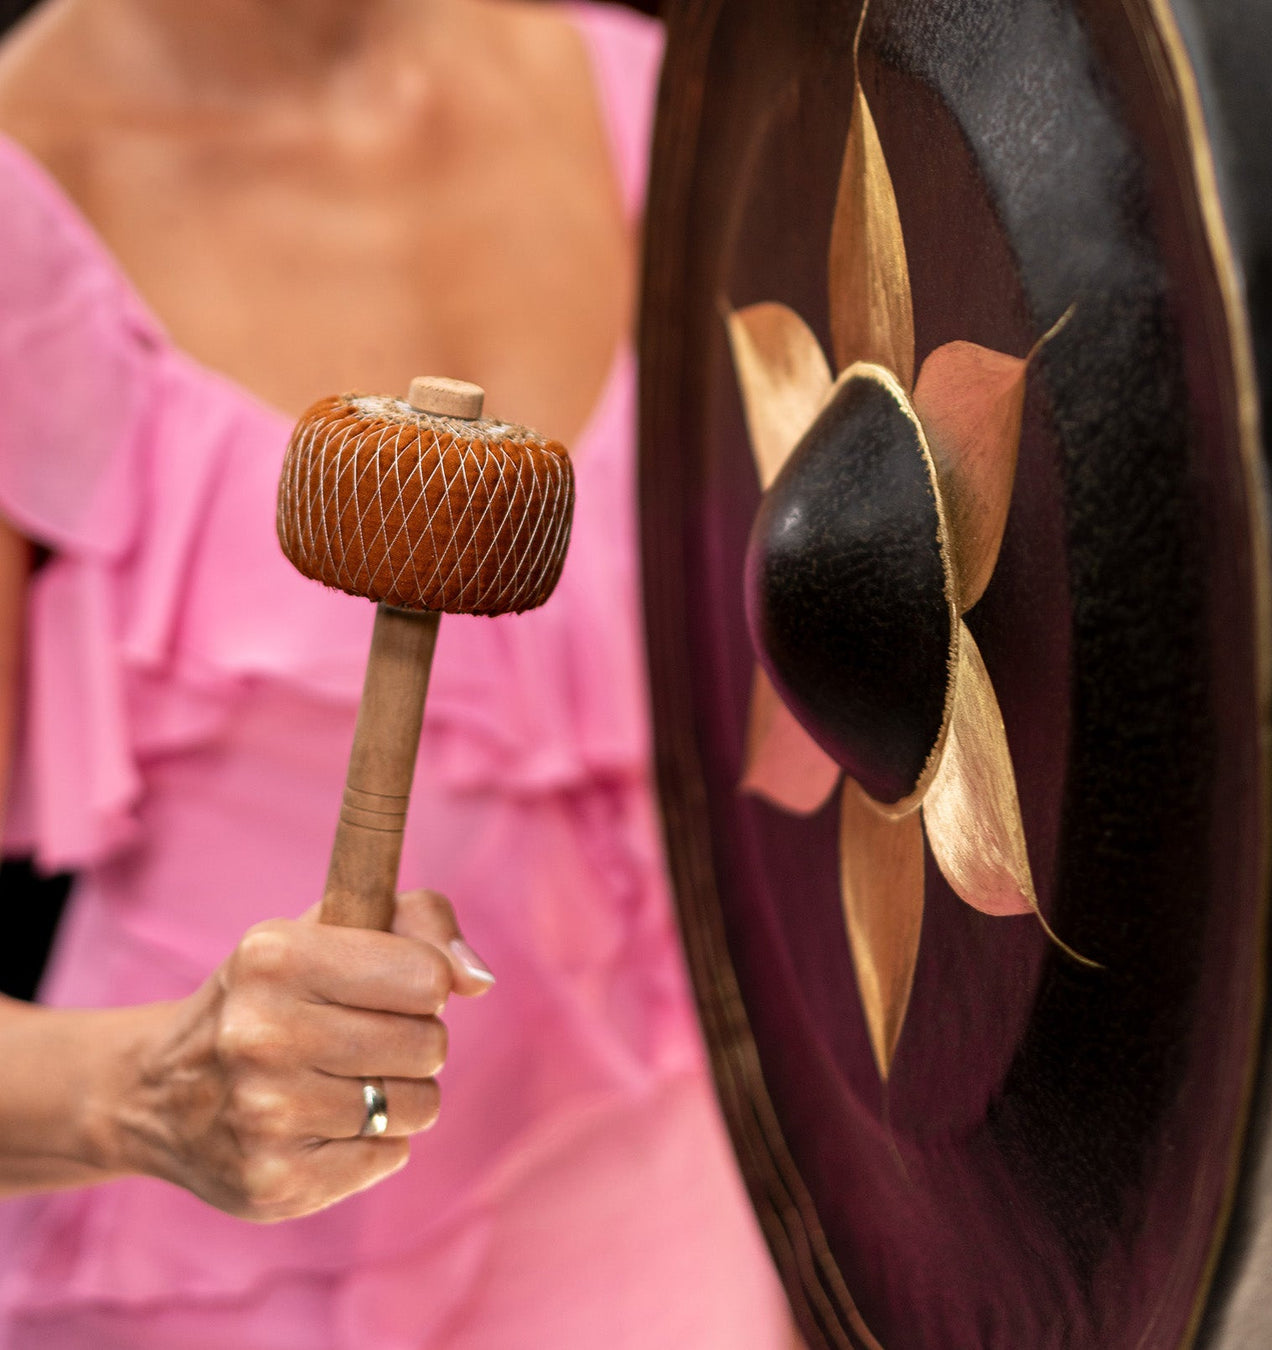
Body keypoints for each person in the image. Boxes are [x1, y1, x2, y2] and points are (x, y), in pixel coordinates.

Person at [0, 1, 796, 1345]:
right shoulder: (24, 185)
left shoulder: (659, 101)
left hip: (681, 1231)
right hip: (223, 1281)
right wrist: (142, 1091)